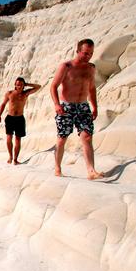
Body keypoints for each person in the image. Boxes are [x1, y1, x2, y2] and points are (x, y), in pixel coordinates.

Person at [50, 38, 103, 179]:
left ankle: (91, 171)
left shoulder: (91, 68)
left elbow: (91, 89)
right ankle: (57, 167)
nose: (88, 56)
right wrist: (56, 104)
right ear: (78, 51)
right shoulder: (66, 67)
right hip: (66, 106)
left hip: (83, 107)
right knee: (62, 138)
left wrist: (95, 107)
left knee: (87, 136)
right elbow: (53, 86)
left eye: (91, 53)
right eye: (85, 53)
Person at [0, 77, 41, 164]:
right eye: (17, 84)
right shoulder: (9, 93)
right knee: (9, 138)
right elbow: (3, 104)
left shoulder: (26, 93)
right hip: (10, 118)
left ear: (23, 85)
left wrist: (27, 84)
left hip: (20, 119)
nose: (19, 86)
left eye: (21, 84)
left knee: (18, 139)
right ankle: (10, 156)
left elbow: (38, 87)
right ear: (15, 85)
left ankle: (15, 159)